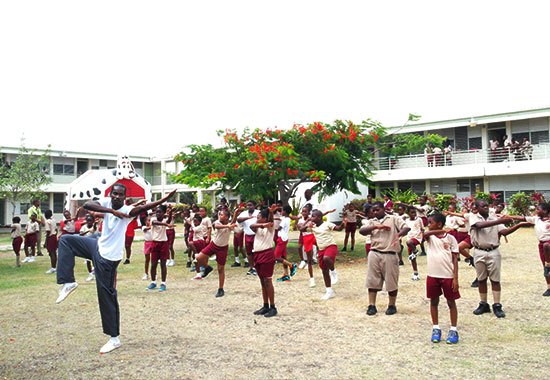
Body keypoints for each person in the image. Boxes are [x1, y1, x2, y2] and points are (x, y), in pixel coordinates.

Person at [55, 185, 176, 354]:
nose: (117, 197)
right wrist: (111, 212)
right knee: (66, 240)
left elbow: (145, 207)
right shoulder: (106, 202)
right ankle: (68, 282)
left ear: (125, 197)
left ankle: (114, 339)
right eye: (115, 194)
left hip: (108, 258)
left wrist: (164, 199)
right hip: (97, 246)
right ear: (111, 194)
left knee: (106, 295)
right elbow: (88, 205)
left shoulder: (128, 210)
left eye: (120, 195)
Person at [469, 199, 527, 318]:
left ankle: (497, 304)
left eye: (487, 206)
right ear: (477, 208)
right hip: (479, 251)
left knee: (495, 280)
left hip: (493, 251)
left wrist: (519, 225)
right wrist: (500, 221)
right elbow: (478, 226)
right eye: (482, 206)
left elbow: (504, 232)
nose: (485, 208)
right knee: (481, 279)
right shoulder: (473, 217)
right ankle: (483, 303)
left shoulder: (494, 219)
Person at [359, 201, 410, 316]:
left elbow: (406, 228)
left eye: (378, 210)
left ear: (384, 209)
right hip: (374, 253)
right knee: (372, 280)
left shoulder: (393, 218)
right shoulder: (372, 221)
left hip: (390, 254)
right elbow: (362, 231)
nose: (375, 212)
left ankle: (392, 305)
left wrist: (398, 234)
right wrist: (376, 226)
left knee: (391, 281)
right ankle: (372, 305)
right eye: (373, 210)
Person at [422, 213, 460, 344]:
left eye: (430, 222)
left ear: (438, 223)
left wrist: (455, 278)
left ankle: (453, 329)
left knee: (451, 302)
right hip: (432, 275)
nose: (428, 225)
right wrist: (443, 230)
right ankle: (436, 328)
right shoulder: (430, 237)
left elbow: (455, 259)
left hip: (448, 276)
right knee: (433, 301)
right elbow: (425, 235)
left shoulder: (450, 238)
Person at [192, 208, 239, 297]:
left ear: (227, 217)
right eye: (219, 214)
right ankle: (207, 268)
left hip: (223, 248)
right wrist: (228, 226)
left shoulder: (229, 224)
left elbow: (232, 223)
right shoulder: (217, 222)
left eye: (222, 215)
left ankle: (220, 289)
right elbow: (216, 226)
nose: (220, 216)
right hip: (213, 245)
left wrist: (236, 213)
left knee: (221, 269)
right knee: (198, 258)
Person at [301, 209, 347, 300]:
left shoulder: (327, 224)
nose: (311, 218)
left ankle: (334, 272)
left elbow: (338, 228)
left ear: (319, 217)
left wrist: (343, 224)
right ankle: (329, 291)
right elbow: (301, 229)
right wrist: (307, 225)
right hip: (321, 249)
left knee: (327, 258)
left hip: (331, 246)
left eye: (313, 216)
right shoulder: (313, 226)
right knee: (324, 271)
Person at [507, 203, 550, 296]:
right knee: (545, 267)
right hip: (541, 245)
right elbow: (522, 218)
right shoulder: (536, 219)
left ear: (545, 211)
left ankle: (548, 265)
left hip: (548, 243)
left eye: (538, 209)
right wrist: (508, 216)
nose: (536, 211)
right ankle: (549, 287)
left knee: (547, 246)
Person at [250, 205, 278, 317]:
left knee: (267, 280)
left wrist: (270, 212)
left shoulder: (271, 227)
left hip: (267, 254)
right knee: (262, 281)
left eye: (259, 217)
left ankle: (272, 307)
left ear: (266, 218)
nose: (257, 219)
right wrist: (262, 224)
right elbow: (252, 226)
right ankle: (265, 305)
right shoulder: (258, 226)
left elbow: (271, 221)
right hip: (257, 255)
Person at [146, 205, 175, 291]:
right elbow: (156, 223)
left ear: (163, 213)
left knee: (163, 264)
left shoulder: (165, 219)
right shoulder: (152, 220)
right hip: (155, 243)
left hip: (163, 244)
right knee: (153, 264)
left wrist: (170, 213)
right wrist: (165, 224)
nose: (158, 214)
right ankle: (153, 282)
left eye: (160, 212)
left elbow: (169, 221)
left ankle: (163, 283)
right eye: (157, 212)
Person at [274, 205, 297, 282]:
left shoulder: (285, 220)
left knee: (276, 257)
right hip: (284, 238)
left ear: (285, 212)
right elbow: (278, 218)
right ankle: (286, 275)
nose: (281, 212)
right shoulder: (286, 218)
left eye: (282, 211)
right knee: (283, 257)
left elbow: (279, 227)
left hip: (281, 239)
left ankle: (291, 265)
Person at [237, 200, 260, 276]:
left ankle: (257, 268)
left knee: (256, 252)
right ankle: (251, 267)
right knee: (249, 253)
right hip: (247, 235)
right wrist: (247, 217)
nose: (249, 207)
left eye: (251, 205)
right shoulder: (244, 213)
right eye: (248, 205)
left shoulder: (258, 213)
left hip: (256, 235)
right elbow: (238, 220)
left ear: (254, 206)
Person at [405, 206, 423, 281]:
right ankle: (416, 274)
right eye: (412, 213)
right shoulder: (406, 221)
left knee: (409, 242)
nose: (414, 214)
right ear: (408, 213)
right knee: (412, 258)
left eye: (414, 212)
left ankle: (415, 251)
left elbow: (422, 229)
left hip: (417, 238)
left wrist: (422, 239)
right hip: (410, 238)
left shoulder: (419, 219)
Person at [79, 214, 98, 282]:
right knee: (88, 261)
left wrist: (95, 224)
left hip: (94, 245)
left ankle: (96, 273)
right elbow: (80, 234)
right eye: (88, 221)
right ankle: (90, 274)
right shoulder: (84, 227)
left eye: (91, 221)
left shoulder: (94, 227)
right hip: (86, 245)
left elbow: (95, 229)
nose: (89, 222)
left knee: (95, 260)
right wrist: (87, 231)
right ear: (86, 221)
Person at [44, 210, 58, 274]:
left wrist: (46, 242)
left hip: (50, 237)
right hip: (54, 236)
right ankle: (55, 267)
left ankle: (53, 268)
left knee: (51, 253)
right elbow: (56, 229)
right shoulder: (54, 220)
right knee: (54, 252)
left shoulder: (47, 221)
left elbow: (48, 231)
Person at [141, 213, 153, 281]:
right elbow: (146, 229)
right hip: (147, 243)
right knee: (147, 259)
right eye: (148, 220)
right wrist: (152, 226)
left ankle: (154, 273)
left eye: (150, 220)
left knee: (154, 259)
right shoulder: (143, 227)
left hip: (153, 242)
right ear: (145, 222)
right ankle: (146, 273)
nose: (150, 221)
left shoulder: (154, 227)